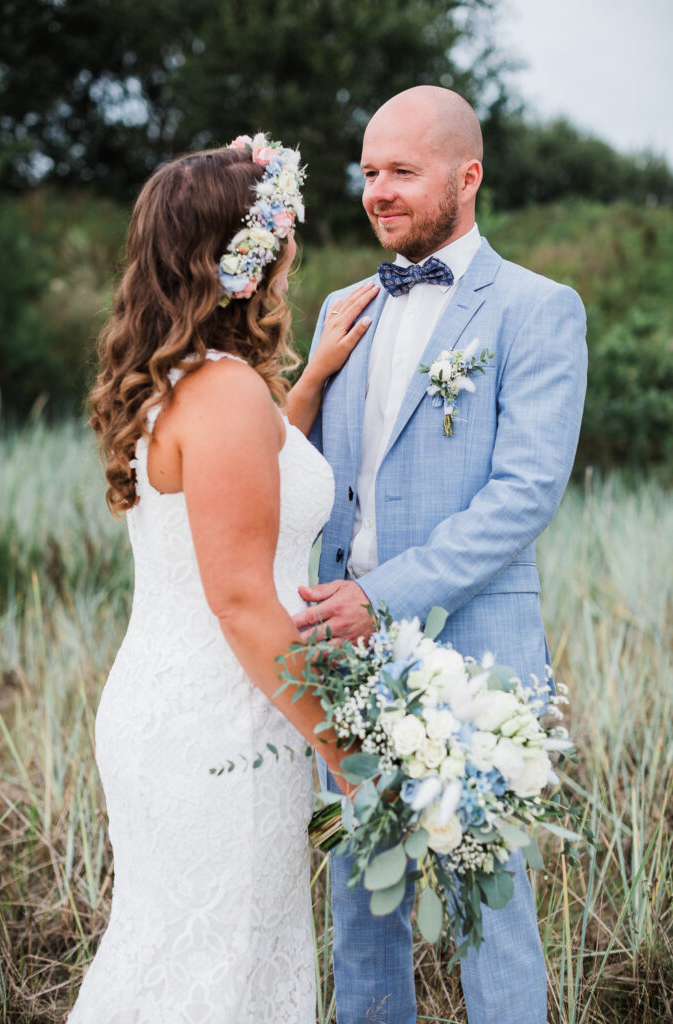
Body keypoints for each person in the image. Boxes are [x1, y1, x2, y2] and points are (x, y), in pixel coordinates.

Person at [293, 86, 588, 1024]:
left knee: (489, 905)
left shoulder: (539, 310)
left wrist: (380, 595)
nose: (377, 191)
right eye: (369, 171)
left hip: (477, 659)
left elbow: (523, 494)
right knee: (360, 902)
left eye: (401, 173)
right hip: (347, 657)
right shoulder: (343, 306)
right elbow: (303, 474)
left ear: (467, 177)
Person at [67, 137, 377, 1024]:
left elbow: (240, 485)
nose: (296, 245)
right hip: (225, 725)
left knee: (176, 954)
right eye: (285, 227)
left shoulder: (179, 383)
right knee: (219, 970)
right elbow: (242, 598)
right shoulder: (227, 392)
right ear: (246, 253)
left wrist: (307, 386)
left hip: (168, 710)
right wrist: (347, 755)